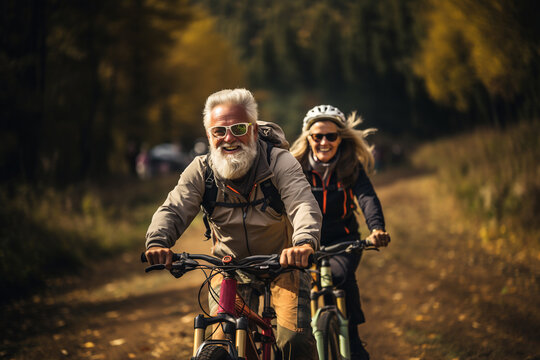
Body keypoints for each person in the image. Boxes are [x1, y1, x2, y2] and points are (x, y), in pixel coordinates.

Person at [145, 89, 322, 359]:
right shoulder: (201, 170)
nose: (229, 138)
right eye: (219, 131)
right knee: (222, 338)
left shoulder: (279, 162)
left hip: (283, 264)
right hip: (229, 269)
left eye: (238, 128)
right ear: (209, 136)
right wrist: (158, 241)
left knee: (293, 343)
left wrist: (304, 243)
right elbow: (174, 208)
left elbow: (302, 204)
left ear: (252, 130)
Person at [290, 104, 391, 360]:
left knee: (341, 276)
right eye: (317, 136)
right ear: (308, 138)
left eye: (331, 136)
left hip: (343, 239)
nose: (324, 142)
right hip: (305, 241)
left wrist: (377, 228)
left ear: (340, 138)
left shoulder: (350, 167)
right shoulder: (294, 168)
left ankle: (353, 341)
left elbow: (367, 198)